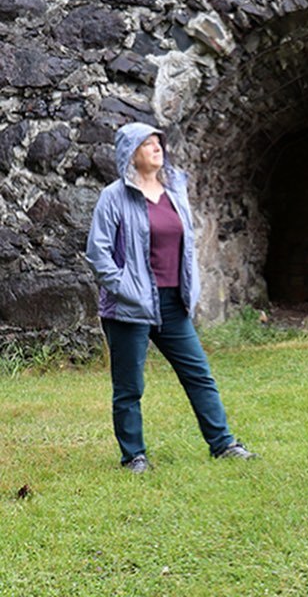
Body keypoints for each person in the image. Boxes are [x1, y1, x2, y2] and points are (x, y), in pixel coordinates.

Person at [86, 122, 256, 473]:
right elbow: (98, 254)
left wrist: (189, 290)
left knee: (199, 374)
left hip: (172, 304)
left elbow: (187, 247)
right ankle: (134, 455)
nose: (156, 148)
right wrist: (126, 289)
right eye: (147, 144)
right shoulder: (114, 197)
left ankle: (223, 444)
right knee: (130, 386)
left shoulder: (174, 190)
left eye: (158, 143)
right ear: (130, 154)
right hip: (129, 308)